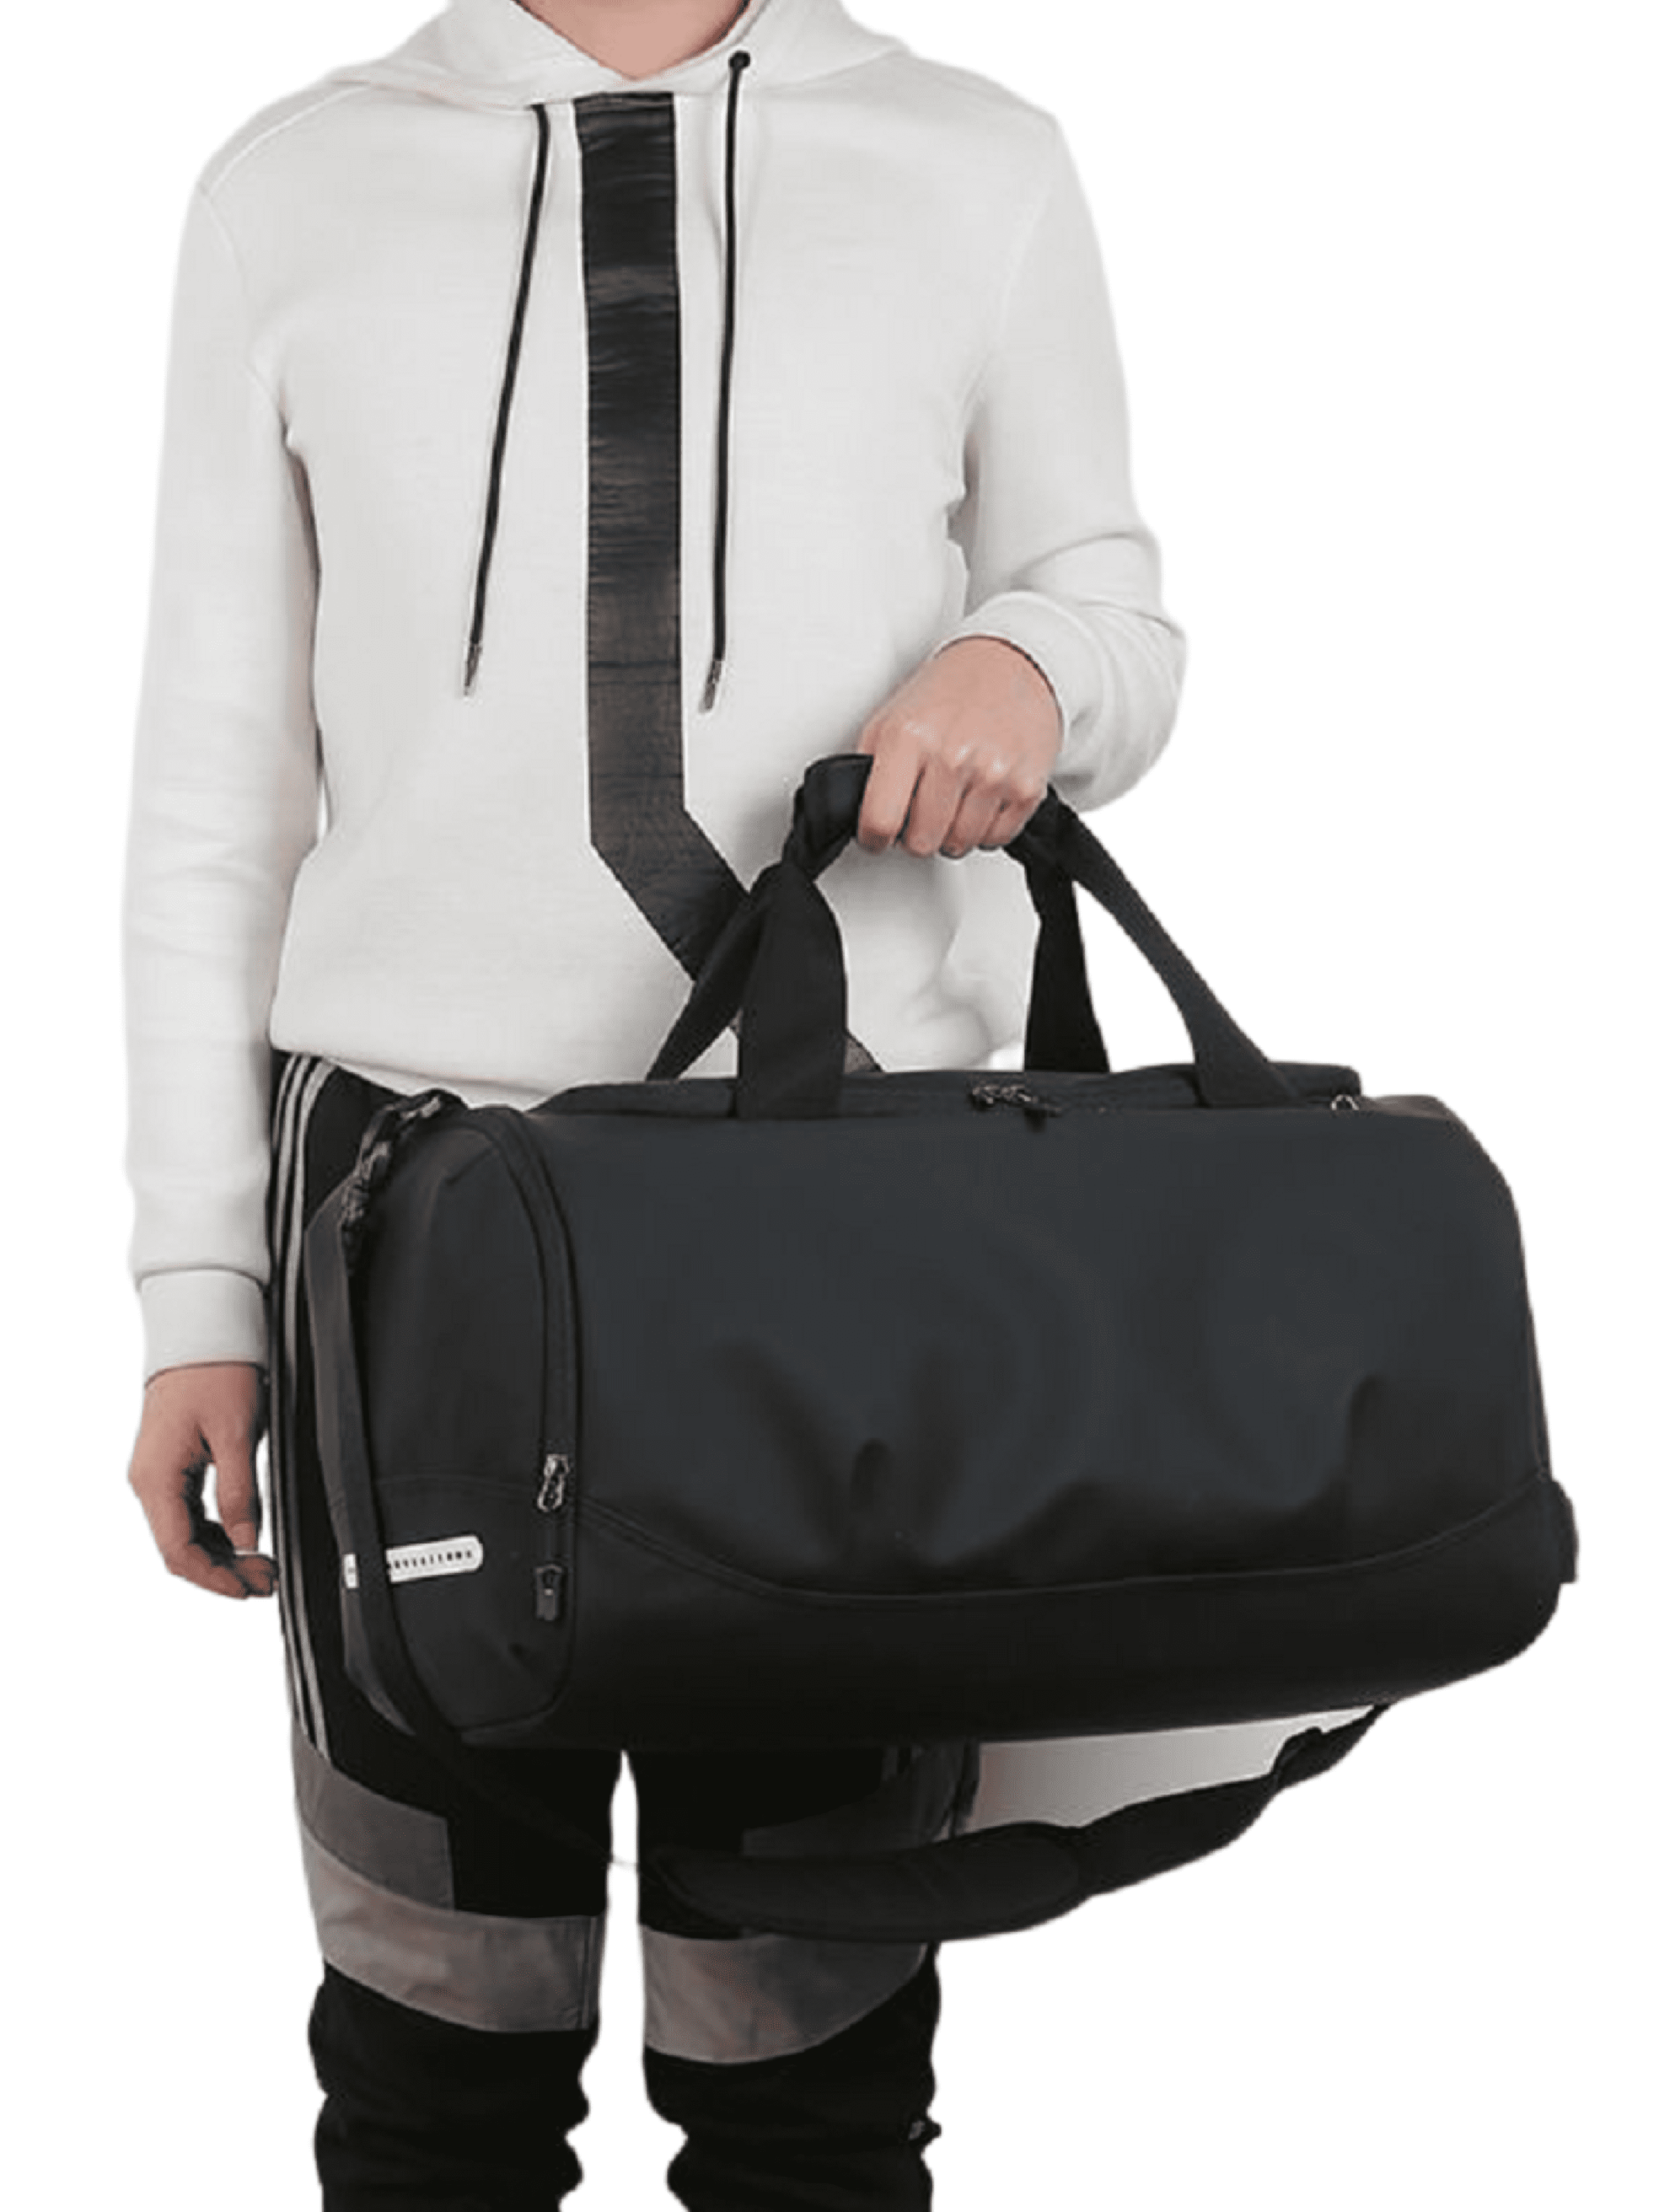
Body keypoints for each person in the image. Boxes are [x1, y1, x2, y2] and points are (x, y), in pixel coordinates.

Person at [122, 1, 1184, 2204]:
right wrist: (198, 1290)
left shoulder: (971, 159)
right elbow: (218, 794)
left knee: (809, 2076)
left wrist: (1030, 663)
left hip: (844, 1229)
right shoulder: (291, 188)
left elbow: (1111, 606)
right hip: (412, 1229)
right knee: (432, 2063)